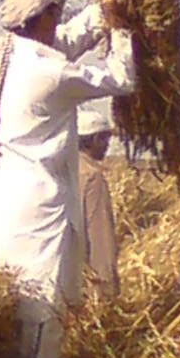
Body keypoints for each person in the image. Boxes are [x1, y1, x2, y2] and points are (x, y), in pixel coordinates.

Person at [0, 0, 136, 358]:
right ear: (49, 14)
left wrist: (104, 10)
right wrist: (121, 29)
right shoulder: (48, 73)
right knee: (41, 318)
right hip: (32, 210)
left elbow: (62, 41)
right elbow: (122, 78)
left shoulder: (6, 54)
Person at [78, 104, 120, 297]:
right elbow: (99, 236)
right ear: (95, 139)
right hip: (84, 283)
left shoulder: (62, 170)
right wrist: (106, 290)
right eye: (105, 138)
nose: (108, 145)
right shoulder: (92, 177)